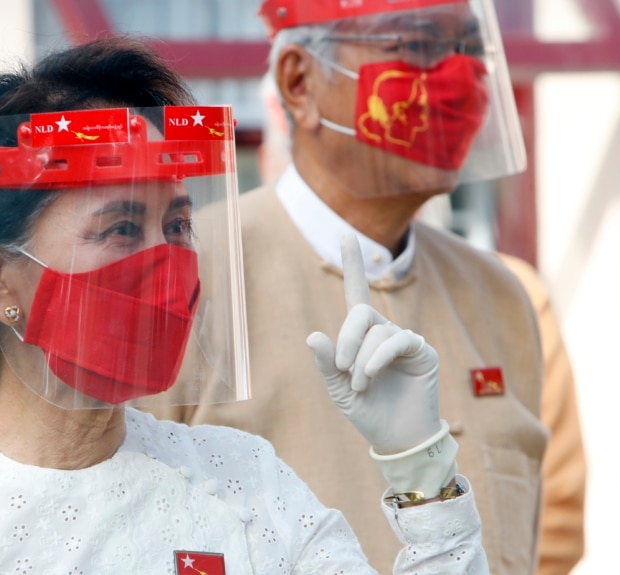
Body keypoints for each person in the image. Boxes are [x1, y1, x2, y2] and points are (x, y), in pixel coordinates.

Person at [0, 37, 490, 574]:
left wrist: (420, 472)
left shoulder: (243, 483)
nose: (164, 260)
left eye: (175, 225)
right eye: (118, 227)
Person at [152, 1, 586, 574]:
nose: (459, 77)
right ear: (300, 83)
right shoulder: (183, 276)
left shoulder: (502, 296)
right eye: (417, 46)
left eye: (468, 50)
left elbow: (549, 539)